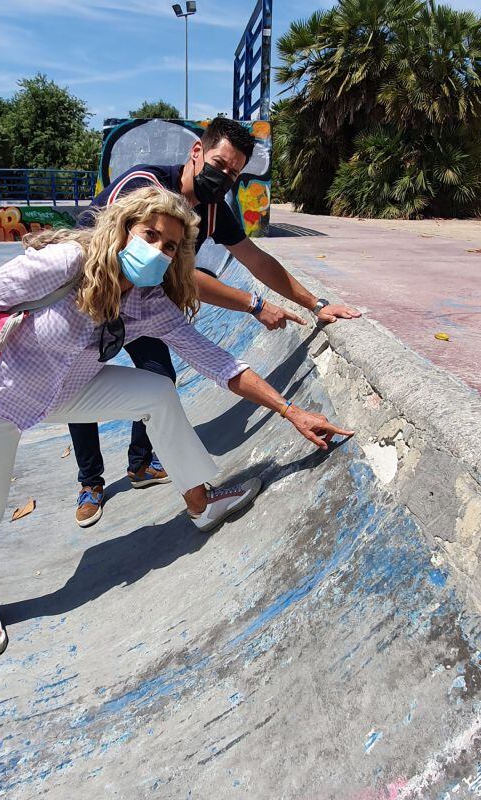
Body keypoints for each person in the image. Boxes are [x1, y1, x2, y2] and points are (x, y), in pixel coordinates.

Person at [0, 187, 353, 658]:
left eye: (170, 246)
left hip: (64, 393)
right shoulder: (67, 264)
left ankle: (201, 504)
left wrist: (290, 411)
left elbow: (216, 361)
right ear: (123, 231)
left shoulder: (150, 303)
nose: (158, 250)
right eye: (150, 236)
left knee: (157, 391)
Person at [70, 117, 360, 528]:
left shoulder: (210, 209)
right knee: (77, 375)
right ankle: (90, 482)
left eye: (234, 173)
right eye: (219, 164)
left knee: (160, 377)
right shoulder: (143, 185)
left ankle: (141, 464)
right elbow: (176, 273)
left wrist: (316, 304)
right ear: (196, 153)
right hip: (89, 294)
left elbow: (255, 259)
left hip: (142, 304)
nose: (224, 177)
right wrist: (253, 304)